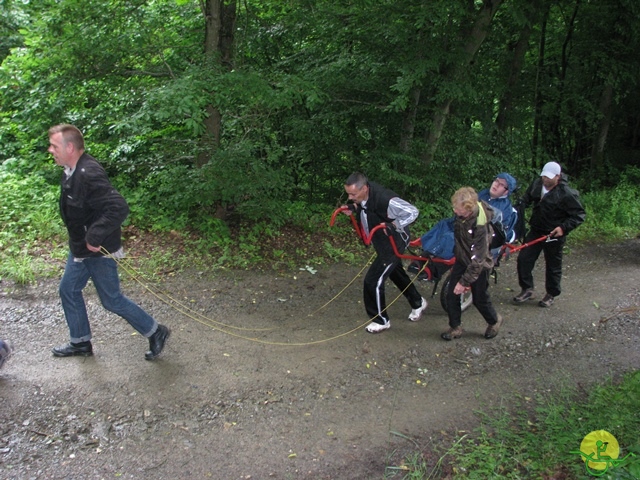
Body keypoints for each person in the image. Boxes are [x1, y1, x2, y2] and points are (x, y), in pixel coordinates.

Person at [48, 124, 170, 360]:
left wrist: (94, 235)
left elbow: (118, 207)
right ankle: (80, 342)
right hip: (80, 249)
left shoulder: (89, 173)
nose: (50, 150)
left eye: (54, 146)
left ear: (69, 147)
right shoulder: (70, 169)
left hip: (97, 250)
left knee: (112, 300)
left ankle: (156, 331)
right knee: (68, 290)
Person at [343, 172, 427, 333]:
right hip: (381, 241)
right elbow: (365, 206)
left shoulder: (386, 199)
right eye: (348, 194)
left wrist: (395, 224)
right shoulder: (363, 197)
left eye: (353, 194)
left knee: (372, 280)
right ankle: (418, 302)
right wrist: (353, 207)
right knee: (395, 273)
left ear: (365, 189)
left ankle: (381, 320)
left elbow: (413, 212)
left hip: (394, 242)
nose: (350, 197)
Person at [513, 161, 586, 308]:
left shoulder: (566, 193)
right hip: (536, 230)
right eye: (544, 176)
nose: (545, 180)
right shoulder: (537, 185)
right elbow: (528, 197)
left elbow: (579, 214)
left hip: (554, 234)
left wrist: (563, 228)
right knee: (524, 259)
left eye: (549, 177)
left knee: (553, 265)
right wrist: (520, 205)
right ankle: (527, 289)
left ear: (558, 177)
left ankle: (551, 294)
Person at [441, 187, 503, 341]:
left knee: (480, 298)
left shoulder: (481, 226)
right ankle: (455, 326)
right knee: (451, 294)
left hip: (480, 265)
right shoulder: (461, 217)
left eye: (458, 209)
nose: (455, 211)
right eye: (454, 207)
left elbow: (478, 259)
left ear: (468, 210)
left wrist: (464, 282)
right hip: (463, 259)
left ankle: (494, 321)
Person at [477, 172, 518, 244]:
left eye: (501, 184)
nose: (496, 184)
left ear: (506, 192)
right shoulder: (484, 193)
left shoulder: (505, 209)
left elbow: (496, 234)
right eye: (496, 181)